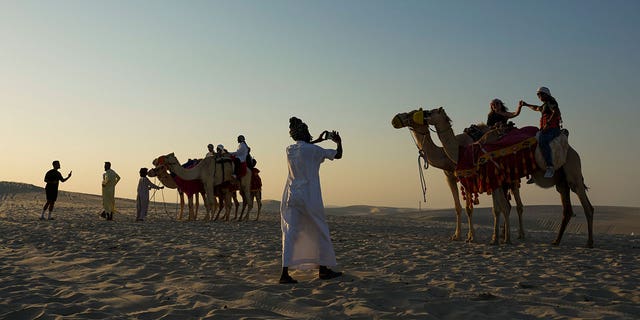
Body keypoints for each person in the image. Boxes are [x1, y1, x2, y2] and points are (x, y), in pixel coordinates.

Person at [279, 117, 343, 284]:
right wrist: (338, 142)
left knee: (289, 232)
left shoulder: (289, 149)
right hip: (309, 194)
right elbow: (339, 155)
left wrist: (317, 140)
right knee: (320, 229)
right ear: (305, 133)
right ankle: (323, 269)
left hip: (291, 195)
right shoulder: (314, 150)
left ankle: (284, 273)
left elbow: (303, 147)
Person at [520, 86, 562, 178]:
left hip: (553, 130)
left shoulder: (551, 102)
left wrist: (548, 123)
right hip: (545, 130)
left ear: (546, 94)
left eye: (541, 94)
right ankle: (535, 170)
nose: (539, 96)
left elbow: (556, 112)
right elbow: (536, 108)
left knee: (543, 141)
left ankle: (550, 167)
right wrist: (526, 105)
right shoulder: (544, 106)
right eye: (538, 94)